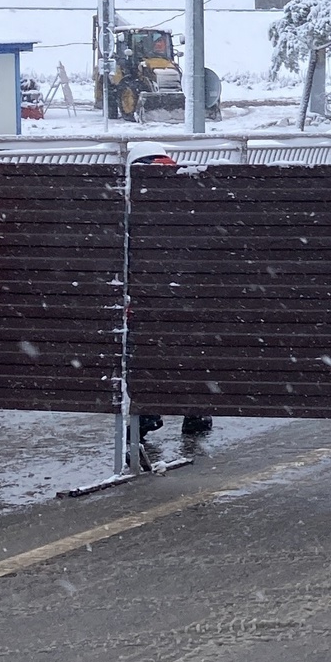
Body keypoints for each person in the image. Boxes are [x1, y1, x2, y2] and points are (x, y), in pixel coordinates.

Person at [127, 142, 211, 440]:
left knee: (141, 353)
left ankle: (146, 414)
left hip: (145, 303)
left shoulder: (130, 196)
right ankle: (196, 412)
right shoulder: (188, 192)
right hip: (188, 299)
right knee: (190, 351)